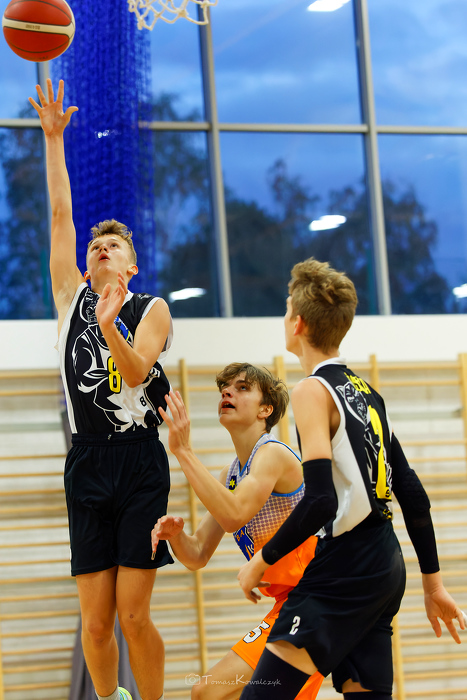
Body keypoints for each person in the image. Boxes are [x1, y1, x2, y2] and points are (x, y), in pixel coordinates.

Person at [236, 258, 465, 700]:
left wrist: (260, 561)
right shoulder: (368, 394)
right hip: (385, 563)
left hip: (346, 565)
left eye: (286, 310)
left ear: (298, 324)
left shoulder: (311, 390)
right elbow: (412, 494)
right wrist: (433, 584)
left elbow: (321, 499)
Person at [29, 79, 173, 700]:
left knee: (133, 617)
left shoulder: (151, 308)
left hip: (140, 460)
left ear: (130, 265)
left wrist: (111, 326)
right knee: (95, 623)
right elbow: (61, 215)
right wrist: (53, 140)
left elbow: (138, 373)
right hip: (87, 459)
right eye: (95, 246)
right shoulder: (71, 300)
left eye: (112, 245)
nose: (101, 249)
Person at [151, 363, 323, 700]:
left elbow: (233, 515)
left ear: (265, 410)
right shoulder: (231, 474)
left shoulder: (272, 454)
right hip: (292, 602)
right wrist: (176, 536)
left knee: (207, 692)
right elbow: (197, 554)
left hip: (317, 596)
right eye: (225, 388)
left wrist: (183, 451)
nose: (228, 392)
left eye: (242, 387)